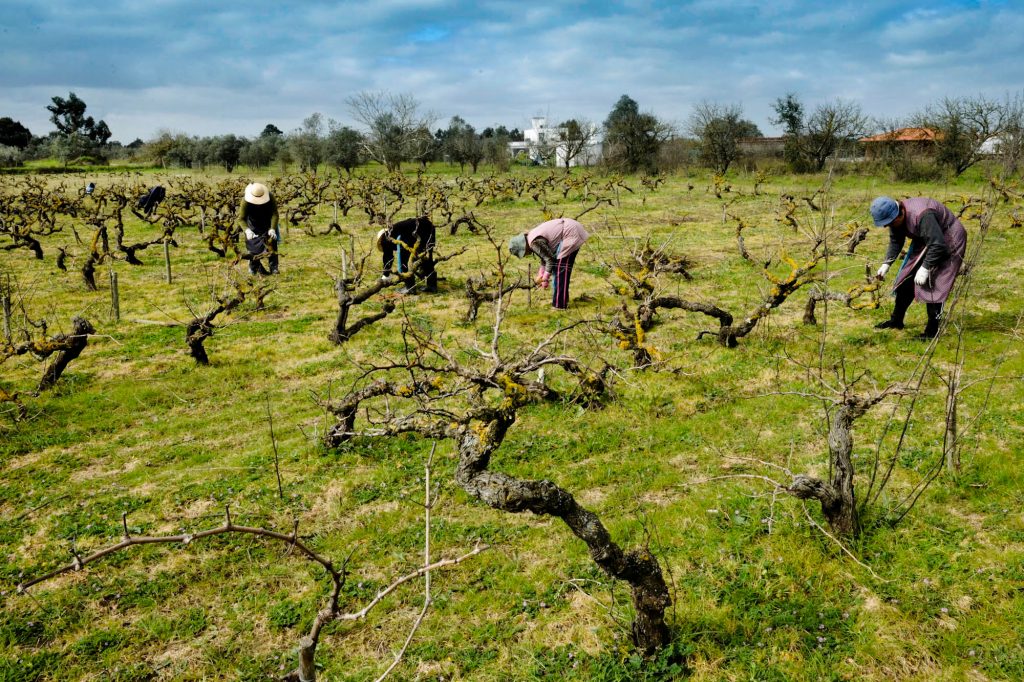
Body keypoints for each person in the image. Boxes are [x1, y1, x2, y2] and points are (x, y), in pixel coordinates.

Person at [870, 196, 967, 339]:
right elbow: (896, 240)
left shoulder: (923, 215)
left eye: (889, 223)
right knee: (907, 278)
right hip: (928, 238)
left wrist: (925, 268)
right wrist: (887, 263)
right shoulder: (895, 219)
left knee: (934, 283)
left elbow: (937, 244)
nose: (887, 226)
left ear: (900, 212)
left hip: (949, 239)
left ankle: (931, 332)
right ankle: (896, 321)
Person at [508, 217, 590, 309]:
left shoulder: (534, 242)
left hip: (571, 232)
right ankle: (561, 301)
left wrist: (545, 278)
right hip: (570, 229)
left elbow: (550, 259)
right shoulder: (532, 237)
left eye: (523, 252)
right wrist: (541, 274)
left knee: (560, 269)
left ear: (523, 246)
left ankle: (559, 306)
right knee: (559, 268)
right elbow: (545, 256)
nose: (526, 254)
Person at [375, 215, 437, 293]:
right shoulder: (397, 230)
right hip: (429, 226)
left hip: (419, 229)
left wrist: (385, 275)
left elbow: (388, 257)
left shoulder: (386, 239)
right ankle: (432, 286)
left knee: (405, 257)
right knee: (425, 256)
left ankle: (409, 288)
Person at [240, 182, 279, 275]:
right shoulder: (245, 201)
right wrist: (247, 230)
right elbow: (241, 218)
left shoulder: (270, 197)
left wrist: (272, 228)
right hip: (252, 225)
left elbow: (275, 214)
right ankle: (253, 268)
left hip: (267, 223)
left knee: (271, 244)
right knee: (253, 248)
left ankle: (274, 268)